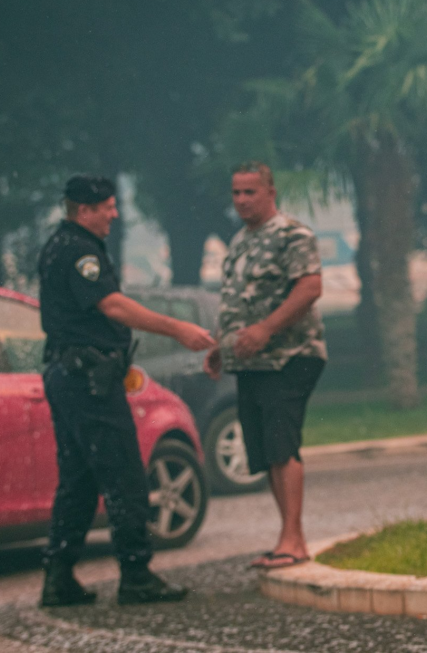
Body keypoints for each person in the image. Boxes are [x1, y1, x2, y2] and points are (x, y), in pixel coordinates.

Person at [38, 175, 216, 607]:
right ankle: (136, 574)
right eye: (107, 207)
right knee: (125, 476)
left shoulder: (58, 245)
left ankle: (59, 578)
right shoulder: (80, 251)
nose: (115, 214)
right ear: (85, 210)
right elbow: (112, 305)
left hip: (67, 373)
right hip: (87, 378)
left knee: (78, 481)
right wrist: (177, 329)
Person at [204, 161, 326, 570]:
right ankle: (288, 537)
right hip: (250, 363)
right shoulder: (239, 241)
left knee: (281, 444)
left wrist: (266, 330)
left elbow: (310, 287)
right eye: (236, 193)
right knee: (265, 450)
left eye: (249, 192)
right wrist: (224, 345)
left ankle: (294, 539)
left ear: (270, 192)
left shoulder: (292, 234)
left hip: (290, 357)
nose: (241, 200)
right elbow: (237, 300)